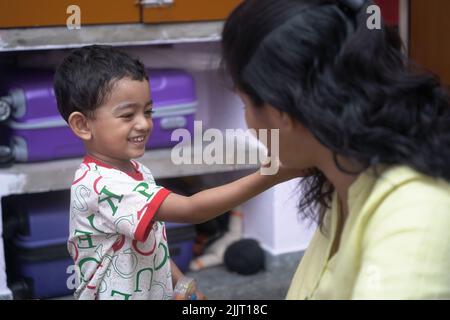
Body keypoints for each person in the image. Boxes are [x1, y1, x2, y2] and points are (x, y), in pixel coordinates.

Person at [221, 0, 450, 299]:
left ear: (280, 112)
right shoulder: (342, 168)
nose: (249, 122)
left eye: (245, 104)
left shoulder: (414, 221)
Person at [54, 45, 304, 300]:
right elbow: (192, 210)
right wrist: (273, 174)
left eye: (148, 111)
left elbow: (151, 244)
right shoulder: (103, 186)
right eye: (128, 115)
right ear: (82, 125)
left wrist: (182, 284)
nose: (144, 123)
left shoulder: (136, 170)